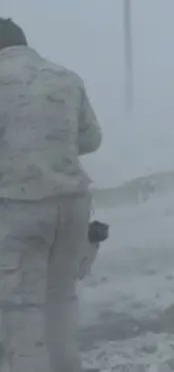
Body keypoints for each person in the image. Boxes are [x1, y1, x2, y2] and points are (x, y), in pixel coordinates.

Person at [0, 18, 102, 372]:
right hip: (73, 205)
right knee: (60, 301)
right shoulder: (66, 77)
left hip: (20, 207)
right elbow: (91, 140)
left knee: (21, 309)